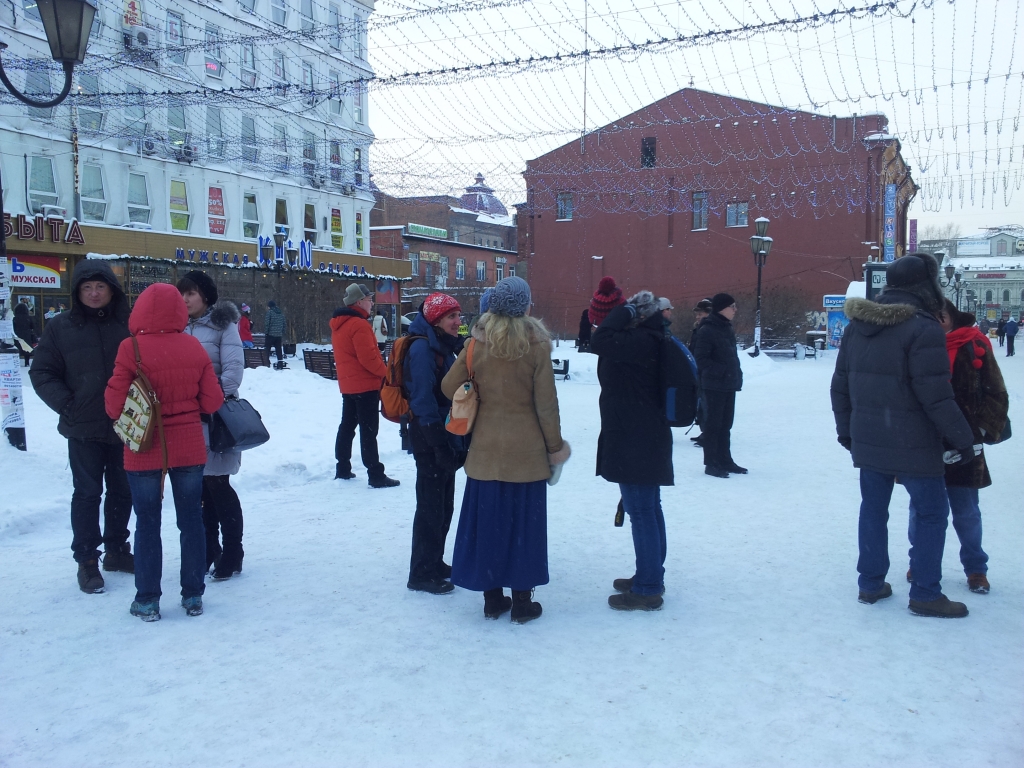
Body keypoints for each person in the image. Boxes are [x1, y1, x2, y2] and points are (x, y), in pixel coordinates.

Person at [831, 252, 976, 618]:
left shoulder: (855, 327)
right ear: (926, 286)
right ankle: (925, 592)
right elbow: (936, 395)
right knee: (930, 513)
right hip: (914, 443)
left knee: (873, 510)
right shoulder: (923, 328)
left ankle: (870, 583)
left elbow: (840, 387)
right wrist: (963, 438)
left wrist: (847, 432)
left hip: (869, 438)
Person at [443, 277, 569, 621]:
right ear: (524, 306)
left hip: (484, 452)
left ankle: (492, 599)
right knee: (523, 528)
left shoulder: (475, 344)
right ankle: (523, 603)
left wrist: (475, 391)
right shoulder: (537, 345)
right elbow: (546, 404)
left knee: (488, 526)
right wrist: (555, 447)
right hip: (526, 455)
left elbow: (448, 386)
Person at [104, 283, 224, 621]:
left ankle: (147, 600)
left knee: (147, 523)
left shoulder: (131, 348)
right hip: (187, 446)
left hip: (143, 446)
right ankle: (192, 595)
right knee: (191, 521)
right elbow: (212, 401)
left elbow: (114, 404)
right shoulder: (192, 346)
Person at [29, 261, 134, 594]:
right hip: (82, 427)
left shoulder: (128, 324)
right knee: (88, 494)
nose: (93, 293)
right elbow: (41, 371)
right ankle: (87, 561)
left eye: (99, 287)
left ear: (111, 290)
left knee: (122, 491)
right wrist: (67, 404)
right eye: (86, 288)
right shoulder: (61, 327)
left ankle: (117, 550)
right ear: (77, 292)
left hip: (123, 425)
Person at [907, 300, 1009, 594]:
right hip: (926, 442)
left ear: (952, 317)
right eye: (933, 316)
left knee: (966, 511)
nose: (938, 321)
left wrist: (978, 431)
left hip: (966, 443)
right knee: (921, 510)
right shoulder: (919, 345)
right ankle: (921, 561)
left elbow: (996, 392)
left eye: (943, 316)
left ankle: (976, 568)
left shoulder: (975, 344)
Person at [591, 290, 671, 611]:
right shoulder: (648, 338)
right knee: (649, 509)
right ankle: (650, 575)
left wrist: (625, 311)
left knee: (642, 512)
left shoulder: (639, 341)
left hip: (636, 439)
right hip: (643, 437)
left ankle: (648, 587)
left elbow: (599, 340)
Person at [178, 271, 247, 580]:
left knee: (218, 485)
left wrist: (203, 397)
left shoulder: (223, 326)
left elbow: (233, 373)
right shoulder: (176, 328)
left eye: (190, 293)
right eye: (181, 294)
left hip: (216, 419)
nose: (185, 299)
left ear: (205, 295)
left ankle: (233, 550)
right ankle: (209, 547)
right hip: (186, 421)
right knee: (200, 488)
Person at [405, 292, 467, 595]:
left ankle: (434, 560)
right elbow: (422, 400)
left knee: (443, 505)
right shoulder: (422, 349)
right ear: (436, 320)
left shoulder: (441, 345)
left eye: (458, 316)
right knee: (430, 507)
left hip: (444, 435)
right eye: (452, 317)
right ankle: (421, 572)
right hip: (429, 437)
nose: (458, 322)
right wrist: (439, 444)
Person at [330, 283, 399, 488]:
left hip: (349, 385)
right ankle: (375, 474)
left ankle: (342, 467)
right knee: (369, 431)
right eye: (369, 300)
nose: (371, 303)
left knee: (347, 427)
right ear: (359, 301)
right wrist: (387, 375)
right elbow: (368, 359)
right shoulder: (358, 324)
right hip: (366, 385)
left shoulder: (339, 324)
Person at [692, 293, 746, 478]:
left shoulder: (726, 328)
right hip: (714, 386)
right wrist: (723, 372)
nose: (735, 310)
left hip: (728, 384)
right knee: (713, 425)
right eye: (732, 306)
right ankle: (711, 463)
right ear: (722, 308)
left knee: (725, 424)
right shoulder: (707, 330)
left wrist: (735, 374)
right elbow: (701, 359)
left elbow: (730, 356)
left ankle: (725, 460)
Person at [689, 298, 714, 447]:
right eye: (697, 314)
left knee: (707, 405)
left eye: (700, 314)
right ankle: (704, 431)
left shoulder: (707, 330)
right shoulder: (698, 329)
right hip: (698, 372)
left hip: (706, 373)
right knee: (700, 404)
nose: (697, 317)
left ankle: (708, 434)